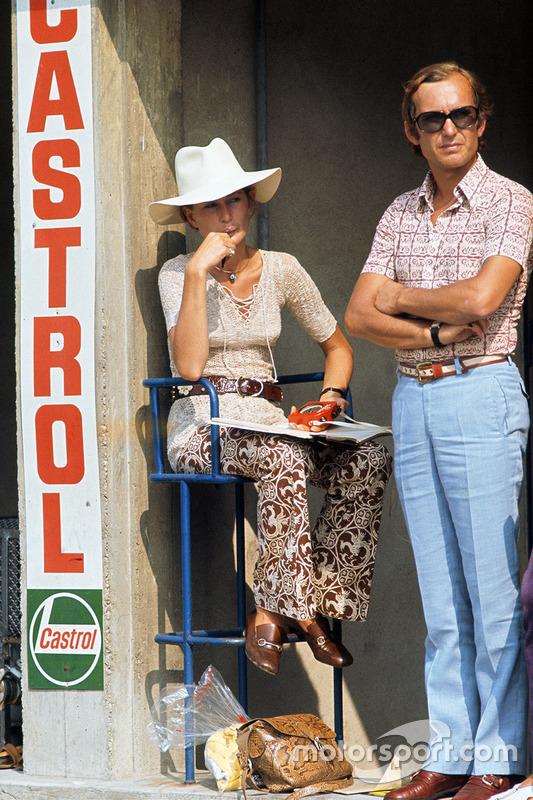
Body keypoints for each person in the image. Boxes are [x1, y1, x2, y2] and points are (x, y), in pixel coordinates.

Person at [345, 63, 533, 800]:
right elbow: (358, 315)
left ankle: (498, 756)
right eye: (432, 119)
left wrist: (398, 299)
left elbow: (484, 298)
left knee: (490, 595)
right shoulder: (398, 211)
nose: (448, 128)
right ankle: (448, 754)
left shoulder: (510, 201)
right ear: (411, 131)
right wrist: (430, 322)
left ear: (481, 121)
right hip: (414, 398)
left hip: (480, 392)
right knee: (439, 594)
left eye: (460, 114)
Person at [149, 137, 392, 676]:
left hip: (270, 422)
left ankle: (301, 606)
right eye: (211, 205)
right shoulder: (176, 274)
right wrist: (197, 275)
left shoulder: (282, 267)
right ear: (190, 216)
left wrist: (330, 398)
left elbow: (338, 348)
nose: (226, 214)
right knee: (281, 457)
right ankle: (291, 617)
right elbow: (188, 367)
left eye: (235, 200)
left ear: (251, 203)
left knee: (368, 458)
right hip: (201, 424)